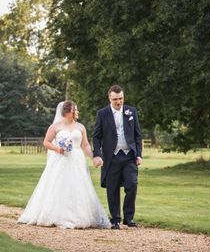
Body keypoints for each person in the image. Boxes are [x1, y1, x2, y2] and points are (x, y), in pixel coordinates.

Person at [18, 101, 110, 229]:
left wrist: (93, 157)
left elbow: (85, 145)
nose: (77, 112)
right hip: (61, 160)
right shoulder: (56, 126)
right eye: (75, 110)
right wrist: (57, 149)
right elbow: (46, 142)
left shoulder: (80, 127)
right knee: (59, 185)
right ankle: (56, 215)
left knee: (78, 186)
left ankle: (79, 216)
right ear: (67, 112)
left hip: (77, 160)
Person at [92, 84, 143, 229]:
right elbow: (96, 137)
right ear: (109, 98)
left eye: (120, 98)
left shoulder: (131, 111)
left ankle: (129, 218)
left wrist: (139, 154)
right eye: (115, 99)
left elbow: (137, 135)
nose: (118, 102)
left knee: (132, 184)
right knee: (112, 188)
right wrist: (97, 154)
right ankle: (115, 219)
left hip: (129, 156)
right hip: (111, 157)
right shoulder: (102, 114)